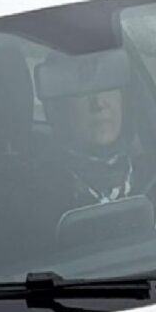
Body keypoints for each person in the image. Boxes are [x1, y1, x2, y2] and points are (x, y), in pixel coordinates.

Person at [39, 51, 144, 205]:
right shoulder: (40, 194)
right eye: (83, 90)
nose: (99, 104)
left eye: (108, 84)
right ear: (60, 107)